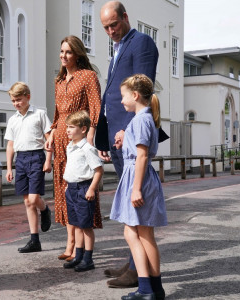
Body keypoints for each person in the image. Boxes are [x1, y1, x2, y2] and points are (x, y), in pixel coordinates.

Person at [94, 1, 160, 288]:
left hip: (130, 136)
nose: (110, 31)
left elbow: (142, 88)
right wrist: (104, 134)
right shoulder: (117, 49)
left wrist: (125, 130)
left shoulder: (142, 43)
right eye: (106, 27)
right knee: (128, 208)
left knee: (135, 206)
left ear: (125, 17)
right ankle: (134, 263)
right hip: (118, 134)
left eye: (114, 25)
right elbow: (113, 94)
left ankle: (139, 272)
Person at [45, 35, 102, 262]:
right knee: (63, 191)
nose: (64, 56)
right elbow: (58, 114)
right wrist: (50, 135)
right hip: (60, 139)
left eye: (68, 52)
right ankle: (70, 242)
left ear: (77, 54)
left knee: (80, 187)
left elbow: (95, 109)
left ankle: (80, 247)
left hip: (78, 140)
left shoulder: (88, 76)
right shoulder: (58, 81)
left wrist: (90, 137)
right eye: (61, 52)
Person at [111, 74, 167, 300]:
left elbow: (142, 156)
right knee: (143, 235)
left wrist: (136, 189)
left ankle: (146, 289)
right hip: (138, 176)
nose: (121, 101)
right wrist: (125, 141)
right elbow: (138, 152)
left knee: (137, 233)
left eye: (123, 96)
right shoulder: (143, 119)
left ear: (135, 95)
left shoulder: (141, 120)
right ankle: (155, 289)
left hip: (139, 179)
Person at [4, 82, 53, 253]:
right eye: (13, 101)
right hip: (21, 159)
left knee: (33, 199)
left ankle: (45, 210)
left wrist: (48, 160)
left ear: (28, 97)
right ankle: (34, 240)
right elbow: (10, 145)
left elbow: (49, 140)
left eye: (19, 99)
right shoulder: (12, 120)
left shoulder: (39, 114)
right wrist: (9, 168)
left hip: (37, 157)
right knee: (27, 202)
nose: (16, 103)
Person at [62, 111, 103, 272]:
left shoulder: (87, 149)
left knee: (86, 226)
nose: (68, 130)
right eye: (67, 127)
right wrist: (68, 184)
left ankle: (88, 258)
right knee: (76, 225)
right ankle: (78, 256)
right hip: (71, 189)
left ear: (83, 129)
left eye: (72, 127)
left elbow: (98, 170)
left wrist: (92, 188)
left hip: (84, 189)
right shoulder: (70, 146)